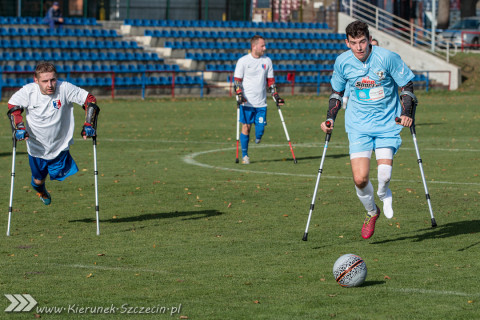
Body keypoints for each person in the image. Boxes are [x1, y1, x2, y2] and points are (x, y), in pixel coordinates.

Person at [320, 21, 416, 239]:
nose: (359, 47)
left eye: (362, 41)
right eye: (353, 43)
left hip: (387, 124)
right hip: (358, 126)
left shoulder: (386, 57)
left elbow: (407, 86)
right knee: (360, 179)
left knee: (384, 175)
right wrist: (329, 119)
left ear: (369, 39)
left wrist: (407, 112)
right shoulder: (342, 62)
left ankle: (384, 193)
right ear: (347, 43)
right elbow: (337, 92)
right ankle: (372, 211)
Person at [7, 62, 99, 205]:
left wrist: (89, 124)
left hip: (59, 146)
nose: (50, 84)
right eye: (45, 81)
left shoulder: (65, 88)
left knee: (61, 176)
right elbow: (13, 106)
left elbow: (89, 100)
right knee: (38, 180)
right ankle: (41, 190)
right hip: (36, 147)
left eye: (52, 80)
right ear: (36, 80)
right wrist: (19, 127)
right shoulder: (28, 92)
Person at [233, 35, 285, 164]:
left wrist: (276, 95)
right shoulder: (243, 61)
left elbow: (270, 81)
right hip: (247, 102)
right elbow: (237, 81)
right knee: (246, 127)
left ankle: (258, 137)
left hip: (261, 102)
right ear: (254, 46)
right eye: (262, 45)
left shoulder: (267, 61)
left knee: (260, 129)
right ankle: (245, 156)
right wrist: (239, 94)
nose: (264, 48)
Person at [342, 37, 379, 109]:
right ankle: (345, 99)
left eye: (375, 45)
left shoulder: (381, 59)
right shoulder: (359, 57)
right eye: (372, 45)